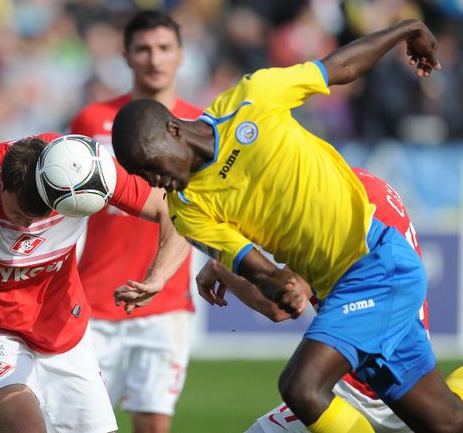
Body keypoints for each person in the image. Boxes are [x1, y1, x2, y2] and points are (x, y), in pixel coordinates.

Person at [110, 19, 463, 433]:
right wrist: (280, 285)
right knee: (446, 422)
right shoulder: (186, 209)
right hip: (340, 292)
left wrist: (405, 30)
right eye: (143, 175)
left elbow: (339, 67)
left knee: (301, 386)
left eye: (151, 165)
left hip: (376, 260)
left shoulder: (251, 99)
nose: (154, 181)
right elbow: (255, 267)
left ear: (173, 129)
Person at [0, 132, 190, 433]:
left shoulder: (84, 168)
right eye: (19, 214)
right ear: (1, 179)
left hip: (61, 324)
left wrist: (159, 275)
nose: (28, 227)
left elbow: (176, 210)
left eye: (40, 215)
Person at [196, 168, 427, 433]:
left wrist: (222, 264)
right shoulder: (369, 186)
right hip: (410, 372)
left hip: (361, 385)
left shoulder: (332, 203)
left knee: (299, 387)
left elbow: (280, 305)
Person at [69, 10, 201, 433]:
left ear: (181, 54)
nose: (154, 59)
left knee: (153, 425)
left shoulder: (200, 127)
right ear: (126, 56)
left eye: (164, 48)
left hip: (166, 303)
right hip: (95, 300)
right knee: (83, 425)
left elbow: (210, 214)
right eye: (143, 49)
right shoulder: (92, 121)